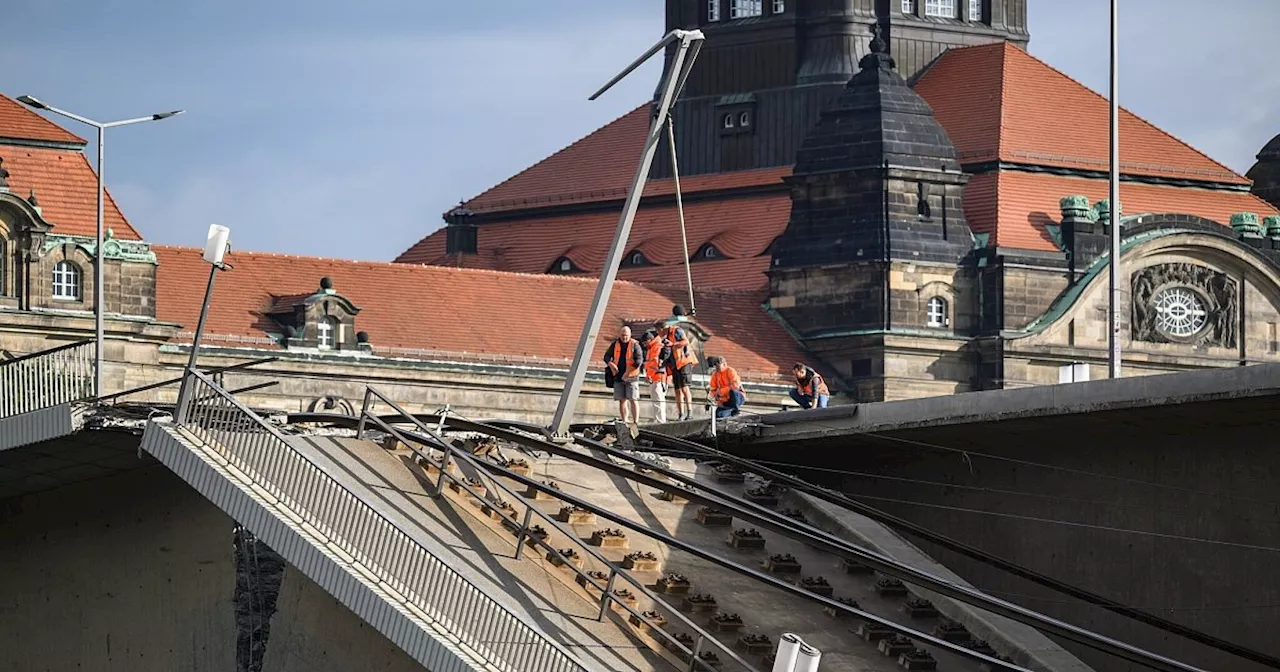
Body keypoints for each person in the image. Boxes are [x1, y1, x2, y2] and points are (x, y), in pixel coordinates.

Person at [659, 305, 699, 421]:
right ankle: (681, 414)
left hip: (684, 362)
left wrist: (673, 344)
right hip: (675, 364)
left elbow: (685, 341)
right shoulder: (667, 336)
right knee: (677, 390)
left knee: (685, 388)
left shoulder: (676, 330)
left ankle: (690, 413)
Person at [602, 325, 643, 425]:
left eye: (626, 335)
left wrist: (627, 373)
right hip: (618, 376)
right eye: (623, 335)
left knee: (633, 399)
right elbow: (606, 356)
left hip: (632, 377)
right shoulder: (615, 344)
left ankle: (635, 421)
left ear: (630, 335)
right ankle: (624, 420)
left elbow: (638, 361)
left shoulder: (635, 345)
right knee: (622, 400)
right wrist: (611, 364)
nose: (624, 337)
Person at [640, 330, 672, 423]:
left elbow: (654, 363)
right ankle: (659, 419)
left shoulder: (656, 347)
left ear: (650, 340)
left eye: (645, 343)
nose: (644, 345)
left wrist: (649, 375)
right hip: (659, 377)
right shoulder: (654, 347)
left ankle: (660, 421)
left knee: (658, 401)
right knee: (658, 401)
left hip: (658, 377)